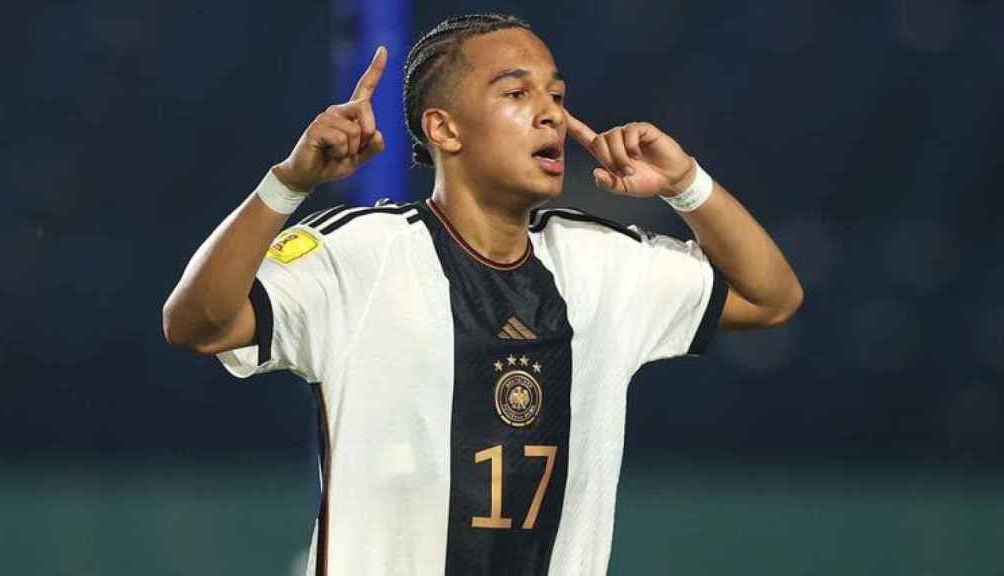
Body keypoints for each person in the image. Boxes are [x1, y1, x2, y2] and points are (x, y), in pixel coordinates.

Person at [162, 12, 802, 576]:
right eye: (516, 92)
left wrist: (685, 183)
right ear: (443, 128)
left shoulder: (601, 265)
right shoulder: (364, 255)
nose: (550, 111)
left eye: (556, 93)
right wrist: (287, 185)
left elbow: (771, 298)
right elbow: (197, 324)